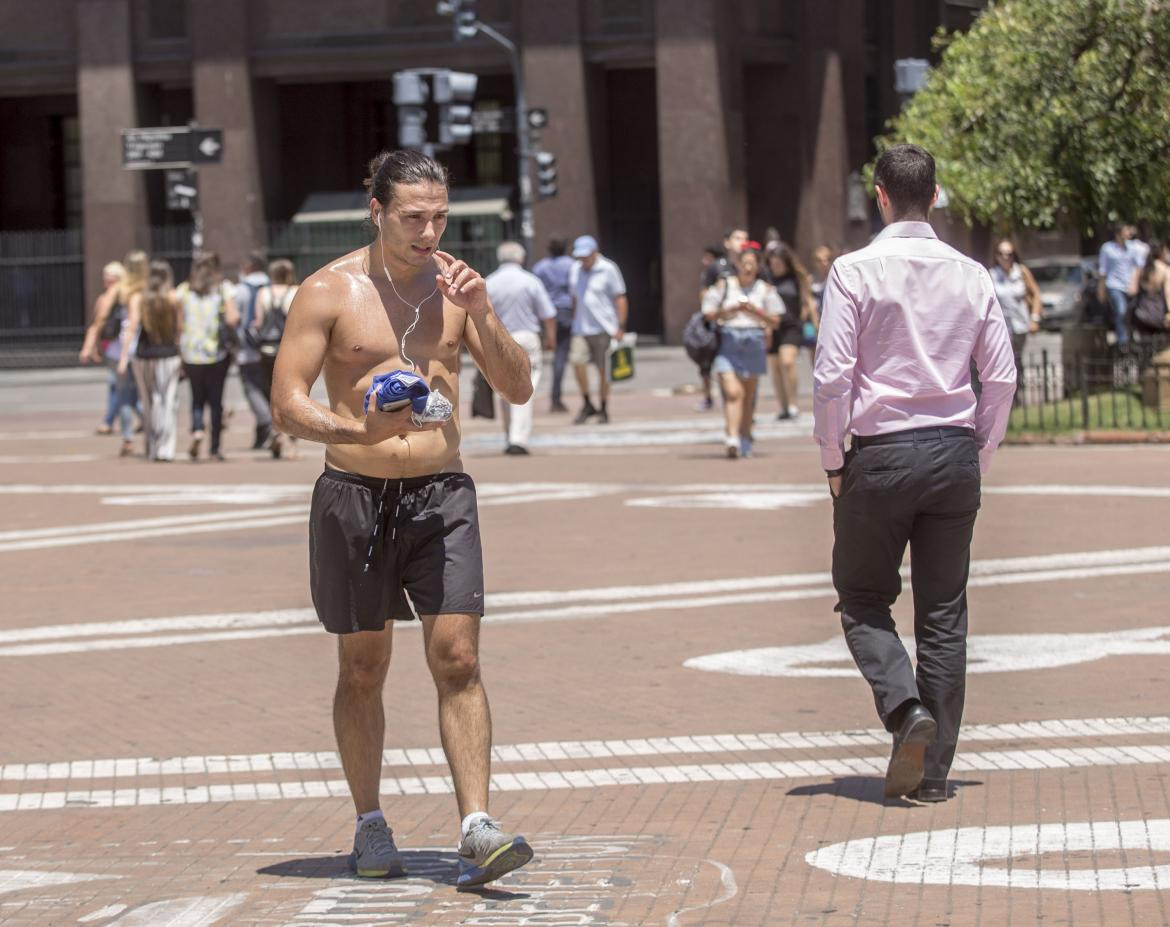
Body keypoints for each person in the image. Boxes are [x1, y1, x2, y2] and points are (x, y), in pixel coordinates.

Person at [270, 149, 535, 888]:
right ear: (377, 210)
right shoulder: (329, 291)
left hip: (441, 493)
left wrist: (483, 311)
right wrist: (356, 432)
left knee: (458, 657)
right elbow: (285, 401)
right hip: (354, 494)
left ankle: (477, 826)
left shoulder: (457, 290)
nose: (429, 230)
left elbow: (517, 387)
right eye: (414, 216)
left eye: (440, 215)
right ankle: (369, 820)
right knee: (363, 668)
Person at [813, 143, 1016, 803]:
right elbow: (1004, 377)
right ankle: (933, 774)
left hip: (881, 452)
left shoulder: (852, 270)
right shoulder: (973, 273)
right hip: (954, 450)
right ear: (934, 196)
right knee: (944, 612)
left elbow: (832, 377)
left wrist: (833, 459)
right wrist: (977, 455)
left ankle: (905, 710)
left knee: (864, 597)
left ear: (878, 195)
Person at [702, 244, 782, 458]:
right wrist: (731, 310)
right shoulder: (725, 285)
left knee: (747, 396)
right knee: (732, 392)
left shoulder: (765, 289)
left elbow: (775, 320)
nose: (747, 268)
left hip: (754, 340)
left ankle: (745, 436)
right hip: (728, 340)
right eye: (744, 263)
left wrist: (754, 311)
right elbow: (708, 312)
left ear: (757, 267)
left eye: (751, 264)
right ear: (737, 265)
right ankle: (732, 437)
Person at [485, 241, 556, 455]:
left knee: (502, 387)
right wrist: (551, 337)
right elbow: (548, 313)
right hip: (526, 336)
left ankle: (510, 434)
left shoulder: (489, 282)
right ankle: (518, 438)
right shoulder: (530, 281)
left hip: (499, 338)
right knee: (527, 385)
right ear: (521, 258)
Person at [83, 252, 146, 456]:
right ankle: (151, 429)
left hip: (121, 350)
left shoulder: (120, 291)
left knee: (126, 396)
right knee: (140, 395)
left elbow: (99, 320)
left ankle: (128, 437)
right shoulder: (144, 289)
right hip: (139, 350)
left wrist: (90, 345)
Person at [178, 252, 239, 461]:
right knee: (216, 401)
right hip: (216, 353)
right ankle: (215, 448)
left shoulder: (184, 291)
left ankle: (196, 430)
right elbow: (233, 318)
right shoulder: (223, 289)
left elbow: (179, 325)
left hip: (191, 353)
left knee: (197, 399)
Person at [122, 261, 183, 461]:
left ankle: (153, 446)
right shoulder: (173, 297)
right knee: (168, 400)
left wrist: (123, 358)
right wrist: (184, 355)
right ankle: (166, 448)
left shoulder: (139, 299)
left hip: (145, 355)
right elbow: (180, 330)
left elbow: (131, 329)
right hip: (169, 354)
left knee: (150, 402)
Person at [568, 235, 628, 425]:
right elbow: (574, 298)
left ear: (595, 253)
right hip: (580, 328)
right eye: (579, 257)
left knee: (604, 370)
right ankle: (587, 402)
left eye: (585, 256)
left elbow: (620, 298)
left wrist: (620, 326)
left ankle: (603, 407)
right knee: (577, 362)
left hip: (604, 327)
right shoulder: (575, 270)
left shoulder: (608, 268)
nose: (582, 260)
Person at [253, 258, 300, 459]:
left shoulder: (263, 293)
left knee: (271, 392)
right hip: (288, 348)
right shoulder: (295, 291)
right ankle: (290, 441)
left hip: (266, 349)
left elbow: (258, 322)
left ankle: (277, 431)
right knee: (291, 392)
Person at [764, 242, 815, 421]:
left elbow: (807, 301)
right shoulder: (766, 279)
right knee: (775, 366)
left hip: (792, 325)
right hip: (771, 326)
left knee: (787, 362)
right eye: (772, 263)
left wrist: (811, 321)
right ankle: (783, 406)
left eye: (778, 263)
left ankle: (793, 404)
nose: (775, 266)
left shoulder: (796, 278)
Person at [79, 260, 127, 435]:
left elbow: (97, 325)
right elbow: (96, 325)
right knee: (118, 385)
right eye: (105, 279)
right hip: (114, 347)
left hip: (126, 348)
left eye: (110, 279)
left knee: (121, 386)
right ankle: (112, 421)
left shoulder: (125, 297)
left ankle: (110, 421)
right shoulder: (105, 299)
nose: (106, 283)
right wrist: (91, 347)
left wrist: (89, 347)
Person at [989, 240, 1042, 394]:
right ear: (996, 256)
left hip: (1020, 325)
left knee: (1016, 358)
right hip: (1001, 327)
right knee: (1005, 360)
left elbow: (1036, 294)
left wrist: (1035, 318)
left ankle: (1017, 392)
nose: (1005, 258)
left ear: (1014, 256)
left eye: (1009, 254)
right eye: (1001, 254)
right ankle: (1010, 394)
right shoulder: (991, 274)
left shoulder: (1021, 272)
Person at [531, 237, 575, 413]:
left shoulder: (540, 267)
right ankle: (556, 398)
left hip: (546, 313)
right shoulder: (571, 265)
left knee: (538, 358)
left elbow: (536, 289)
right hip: (565, 313)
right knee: (561, 356)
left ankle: (527, 398)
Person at [235, 252, 274, 450]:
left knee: (252, 388)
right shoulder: (271, 287)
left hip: (247, 348)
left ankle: (268, 422)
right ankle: (265, 434)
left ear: (249, 266)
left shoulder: (240, 290)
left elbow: (235, 319)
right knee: (270, 388)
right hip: (272, 347)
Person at [1097, 223, 1145, 346]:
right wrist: (1101, 289)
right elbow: (1103, 271)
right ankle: (1123, 341)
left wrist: (1134, 284)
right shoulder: (1107, 248)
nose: (1129, 233)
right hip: (1114, 285)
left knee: (1129, 314)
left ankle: (1128, 337)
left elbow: (1138, 267)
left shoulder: (1133, 248)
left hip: (1129, 286)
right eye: (1126, 230)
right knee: (1121, 310)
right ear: (1118, 233)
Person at [693, 246, 726, 411]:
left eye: (706, 257)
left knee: (718, 367)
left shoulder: (721, 272)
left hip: (719, 327)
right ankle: (709, 397)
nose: (703, 261)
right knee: (706, 366)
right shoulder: (709, 275)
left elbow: (703, 296)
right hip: (710, 326)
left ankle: (714, 398)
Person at [1133, 240, 1170, 335]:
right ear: (1161, 252)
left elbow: (1132, 290)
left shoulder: (1142, 269)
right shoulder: (1164, 269)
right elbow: (1168, 294)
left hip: (1141, 312)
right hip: (1158, 313)